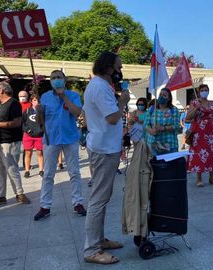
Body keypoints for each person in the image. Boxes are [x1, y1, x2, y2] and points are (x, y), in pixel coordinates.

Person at [83, 51, 130, 264]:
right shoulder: (100, 87)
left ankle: (99, 240)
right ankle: (92, 249)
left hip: (104, 146)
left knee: (102, 197)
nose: (120, 72)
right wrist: (123, 101)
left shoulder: (99, 86)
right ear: (109, 67)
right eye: (118, 67)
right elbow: (111, 118)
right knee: (99, 199)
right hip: (103, 149)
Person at [33, 70, 86, 221]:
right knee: (48, 174)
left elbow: (78, 113)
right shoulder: (45, 97)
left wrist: (64, 97)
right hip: (51, 139)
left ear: (64, 80)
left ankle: (78, 203)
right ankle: (45, 206)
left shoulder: (73, 95)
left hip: (70, 138)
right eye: (53, 78)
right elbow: (39, 122)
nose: (56, 80)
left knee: (74, 172)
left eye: (59, 77)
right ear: (50, 81)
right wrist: (38, 112)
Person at [0, 81, 30, 205]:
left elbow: (16, 122)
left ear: (2, 90)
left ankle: (19, 194)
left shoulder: (13, 104)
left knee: (11, 169)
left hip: (9, 142)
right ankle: (0, 195)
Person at [186, 84, 213, 187]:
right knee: (199, 155)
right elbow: (188, 117)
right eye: (202, 90)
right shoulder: (194, 103)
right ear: (199, 91)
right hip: (198, 133)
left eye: (206, 90)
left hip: (210, 133)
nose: (204, 91)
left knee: (211, 154)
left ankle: (212, 177)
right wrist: (197, 108)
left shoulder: (212, 103)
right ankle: (199, 179)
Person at [145, 88, 180, 154]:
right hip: (154, 144)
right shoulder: (152, 109)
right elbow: (146, 124)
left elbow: (177, 125)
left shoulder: (174, 110)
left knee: (170, 164)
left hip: (170, 145)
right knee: (155, 164)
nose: (161, 96)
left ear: (169, 98)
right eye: (160, 94)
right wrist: (151, 130)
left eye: (164, 95)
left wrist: (163, 128)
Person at [21, 95, 44, 178]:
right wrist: (27, 130)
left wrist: (42, 130)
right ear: (31, 101)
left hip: (39, 136)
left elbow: (45, 123)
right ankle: (27, 170)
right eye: (34, 100)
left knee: (40, 153)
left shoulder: (42, 111)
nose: (36, 102)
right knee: (28, 153)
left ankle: (41, 170)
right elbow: (22, 123)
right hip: (28, 135)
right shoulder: (27, 111)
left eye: (37, 100)